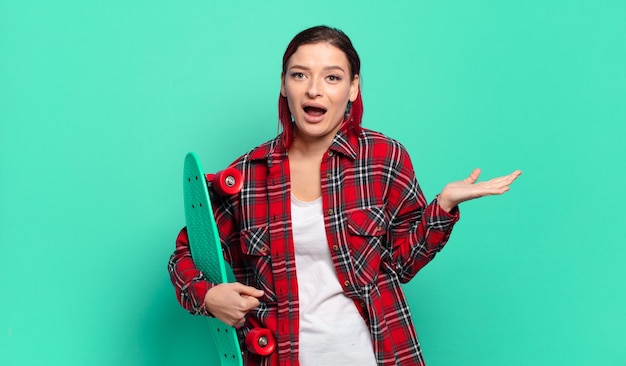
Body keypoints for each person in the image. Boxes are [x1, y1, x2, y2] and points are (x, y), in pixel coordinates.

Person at [168, 25, 521, 366]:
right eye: (300, 75)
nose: (314, 90)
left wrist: (443, 207)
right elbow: (185, 254)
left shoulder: (384, 158)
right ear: (283, 84)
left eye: (332, 77)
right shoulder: (247, 175)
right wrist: (209, 297)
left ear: (353, 88)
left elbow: (401, 265)